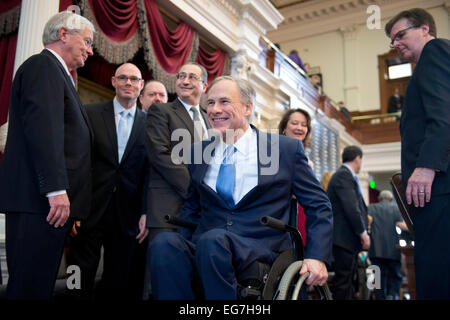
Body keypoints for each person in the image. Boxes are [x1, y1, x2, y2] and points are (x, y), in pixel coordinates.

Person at [148, 76, 333, 300]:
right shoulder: (198, 152)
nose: (215, 110)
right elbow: (192, 207)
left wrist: (317, 256)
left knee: (213, 241)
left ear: (247, 107)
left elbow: (319, 205)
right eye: (211, 103)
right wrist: (185, 243)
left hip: (260, 246)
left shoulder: (284, 150)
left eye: (224, 102)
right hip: (208, 243)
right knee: (164, 244)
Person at [0, 12, 94, 300]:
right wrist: (56, 190)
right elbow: (45, 132)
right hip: (39, 202)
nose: (90, 50)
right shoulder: (43, 67)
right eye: (87, 41)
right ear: (63, 34)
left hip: (47, 206)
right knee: (28, 289)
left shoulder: (59, 74)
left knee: (38, 288)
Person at [66, 63, 150, 300]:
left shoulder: (150, 125)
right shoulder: (90, 113)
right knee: (77, 274)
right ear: (113, 81)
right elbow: (78, 163)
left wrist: (145, 212)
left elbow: (149, 173)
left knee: (117, 280)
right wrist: (74, 207)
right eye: (123, 78)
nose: (128, 83)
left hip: (128, 215)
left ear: (141, 85)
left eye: (134, 79)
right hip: (89, 209)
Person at [385, 8, 450, 299]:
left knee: (437, 274)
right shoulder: (423, 66)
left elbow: (444, 113)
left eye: (400, 35)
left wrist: (426, 166)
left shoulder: (435, 52)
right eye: (392, 40)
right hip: (436, 190)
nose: (396, 43)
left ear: (425, 29)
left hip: (440, 188)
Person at [145, 62, 210, 242]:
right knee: (163, 267)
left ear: (205, 86)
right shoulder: (161, 111)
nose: (185, 81)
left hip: (202, 214)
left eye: (192, 77)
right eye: (181, 76)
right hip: (168, 210)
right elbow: (161, 155)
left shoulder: (209, 119)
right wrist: (196, 191)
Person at [327, 145, 370, 300]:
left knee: (348, 282)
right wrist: (363, 233)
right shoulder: (343, 175)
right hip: (343, 239)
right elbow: (351, 207)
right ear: (358, 158)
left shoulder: (346, 176)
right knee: (343, 282)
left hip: (347, 240)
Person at [278, 108, 314, 246]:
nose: (299, 128)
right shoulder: (275, 152)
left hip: (302, 215)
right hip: (284, 214)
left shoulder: (307, 158)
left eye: (304, 125)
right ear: (284, 127)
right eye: (294, 123)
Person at [368, 190, 408, 300]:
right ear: (390, 199)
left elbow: (367, 222)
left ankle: (379, 297)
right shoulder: (395, 208)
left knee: (377, 279)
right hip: (393, 250)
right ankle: (392, 295)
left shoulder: (371, 208)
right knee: (394, 277)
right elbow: (402, 225)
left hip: (375, 250)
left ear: (379, 199)